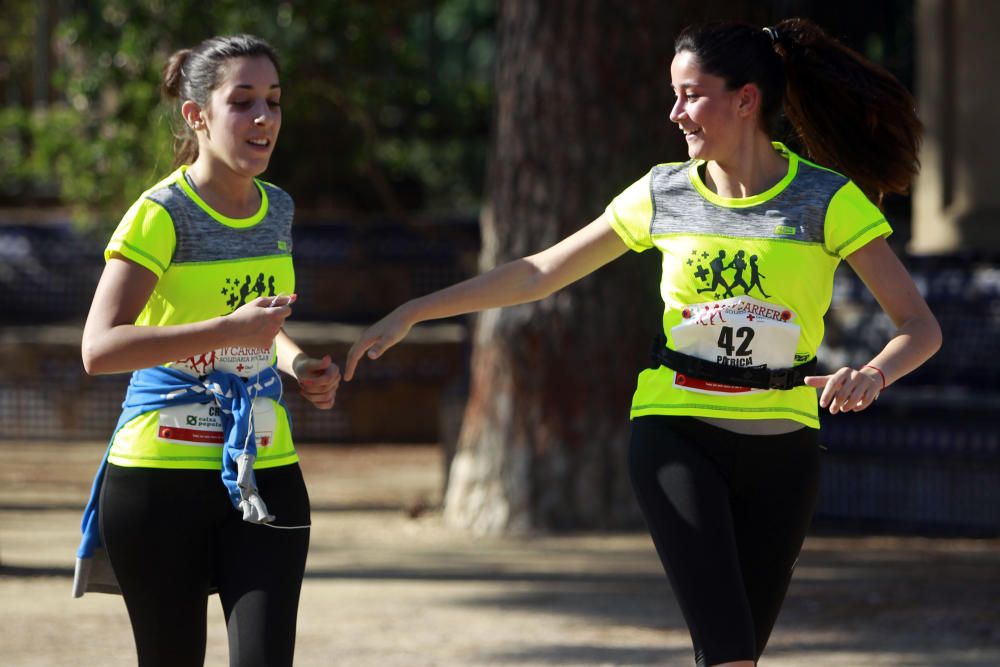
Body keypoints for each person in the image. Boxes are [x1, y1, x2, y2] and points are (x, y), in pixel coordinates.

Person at [344, 18, 941, 667]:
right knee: (729, 652)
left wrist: (874, 373)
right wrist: (415, 311)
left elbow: (920, 327)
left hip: (785, 450)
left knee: (739, 653)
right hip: (676, 431)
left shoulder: (828, 201)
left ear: (746, 100)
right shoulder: (661, 192)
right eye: (673, 94)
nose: (674, 112)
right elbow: (540, 272)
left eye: (691, 94)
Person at [73, 34, 340, 667]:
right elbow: (99, 347)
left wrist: (297, 363)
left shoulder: (278, 209)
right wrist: (226, 331)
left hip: (263, 469)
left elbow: (261, 325)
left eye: (273, 102)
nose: (263, 118)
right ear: (197, 115)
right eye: (242, 101)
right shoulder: (160, 214)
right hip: (157, 482)